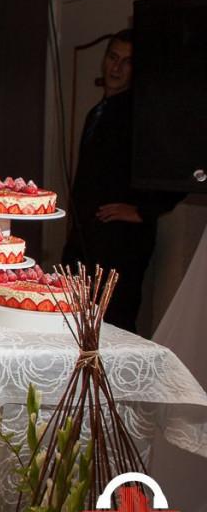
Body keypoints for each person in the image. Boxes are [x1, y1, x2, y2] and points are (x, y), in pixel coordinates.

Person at [62, 29, 183, 334]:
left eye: (127, 62)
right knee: (72, 323)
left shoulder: (145, 115)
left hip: (120, 243)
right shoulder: (97, 112)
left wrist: (142, 210)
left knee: (112, 327)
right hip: (84, 239)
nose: (116, 68)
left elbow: (183, 169)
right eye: (112, 57)